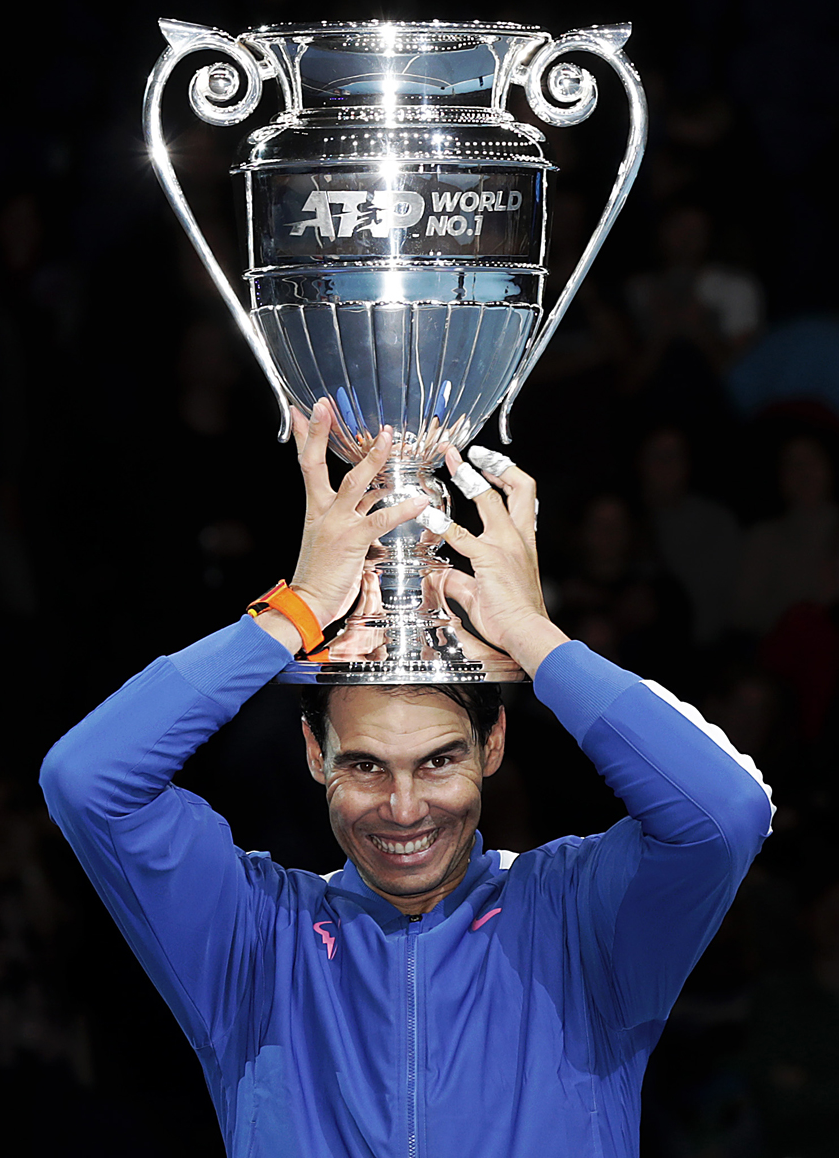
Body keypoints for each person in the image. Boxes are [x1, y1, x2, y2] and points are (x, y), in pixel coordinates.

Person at [40, 400, 774, 1158]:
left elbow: (723, 813)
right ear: (313, 753)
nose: (402, 808)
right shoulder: (253, 941)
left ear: (492, 744)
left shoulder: (578, 919)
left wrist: (531, 633)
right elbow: (88, 778)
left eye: (438, 761)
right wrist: (295, 612)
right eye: (364, 765)